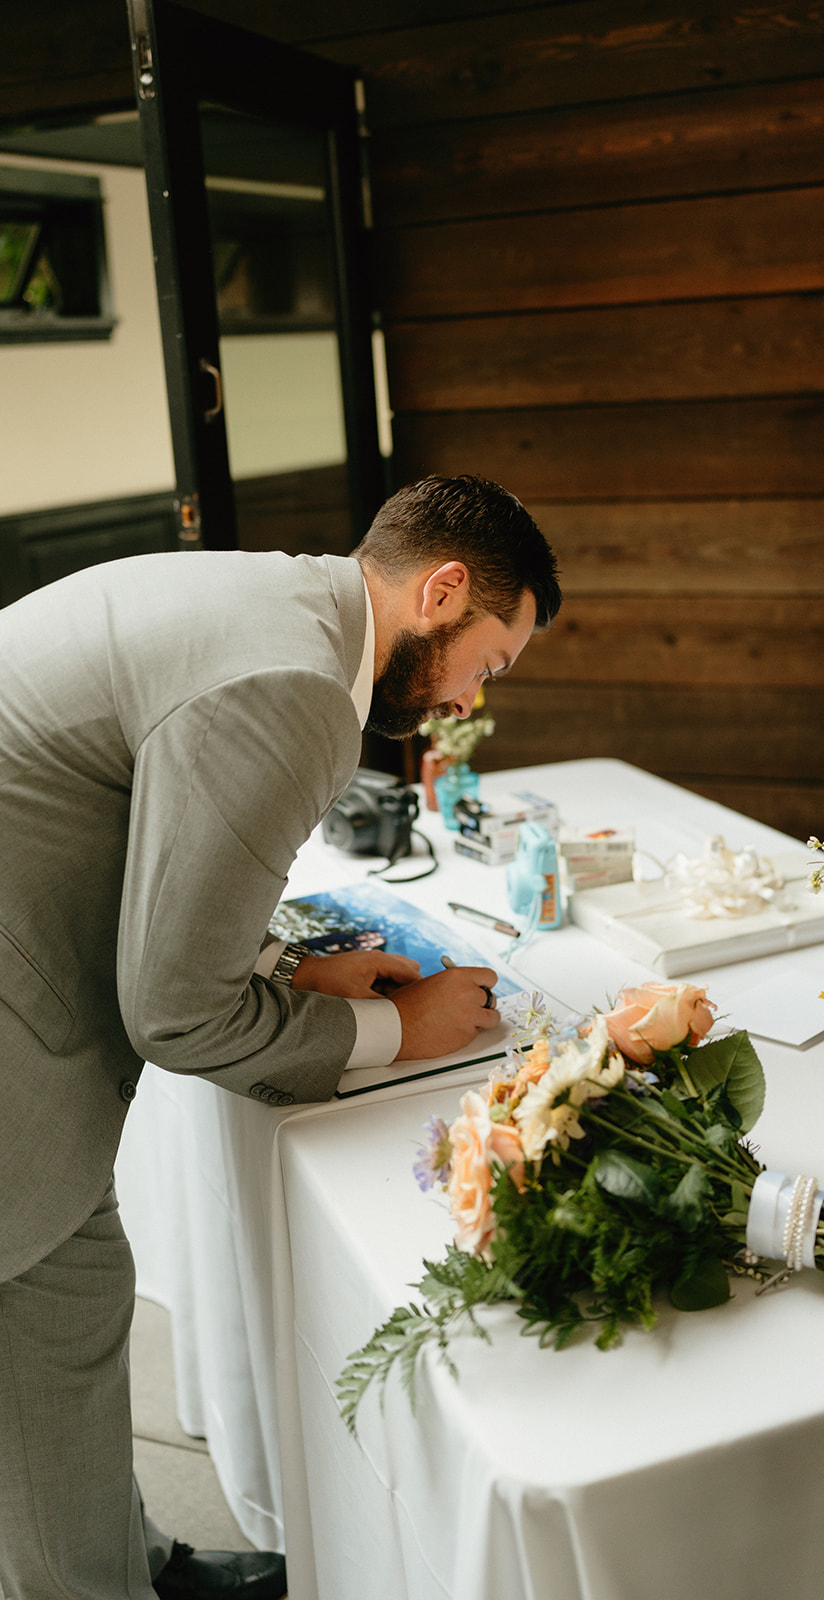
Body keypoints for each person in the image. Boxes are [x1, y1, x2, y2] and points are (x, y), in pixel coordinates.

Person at [0, 474, 561, 1600]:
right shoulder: (298, 684)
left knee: (68, 1298)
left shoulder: (280, 605)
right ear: (442, 590)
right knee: (55, 1301)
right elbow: (174, 1009)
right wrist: (393, 1027)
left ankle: (123, 1563)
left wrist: (286, 964)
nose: (466, 701)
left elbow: (160, 851)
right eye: (486, 664)